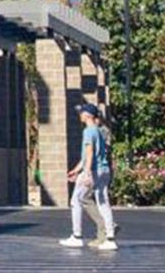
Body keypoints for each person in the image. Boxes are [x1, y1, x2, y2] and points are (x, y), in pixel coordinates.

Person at [60, 103, 117, 251]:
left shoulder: (88, 132)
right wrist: (76, 170)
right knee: (103, 202)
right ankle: (110, 238)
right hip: (104, 170)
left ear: (88, 115)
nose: (80, 115)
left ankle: (77, 236)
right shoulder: (98, 131)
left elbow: (90, 153)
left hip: (94, 170)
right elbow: (88, 155)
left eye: (82, 112)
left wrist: (86, 173)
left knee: (77, 200)